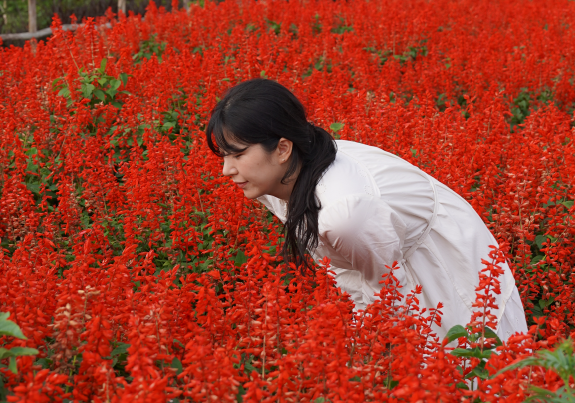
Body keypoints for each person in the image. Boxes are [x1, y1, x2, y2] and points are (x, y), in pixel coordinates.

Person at [206, 79, 529, 344]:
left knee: (473, 372)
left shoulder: (345, 213)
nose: (226, 170)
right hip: (388, 261)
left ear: (282, 148)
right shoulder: (283, 171)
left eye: (237, 155)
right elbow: (355, 274)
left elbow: (390, 291)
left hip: (438, 267)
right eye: (223, 155)